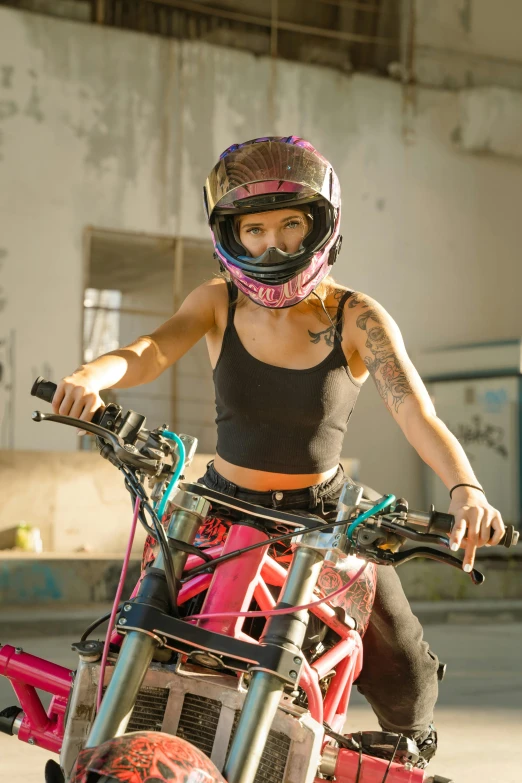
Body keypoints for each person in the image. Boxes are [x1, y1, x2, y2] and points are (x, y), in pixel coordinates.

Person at [52, 136, 505, 765]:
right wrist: (89, 377)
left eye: (291, 225)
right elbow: (148, 351)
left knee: (404, 667)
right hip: (217, 508)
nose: (273, 244)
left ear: (320, 226)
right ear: (232, 235)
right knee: (132, 634)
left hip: (323, 519)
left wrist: (468, 490)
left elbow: (415, 411)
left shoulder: (357, 316)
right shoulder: (218, 300)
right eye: (256, 228)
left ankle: (401, 754)